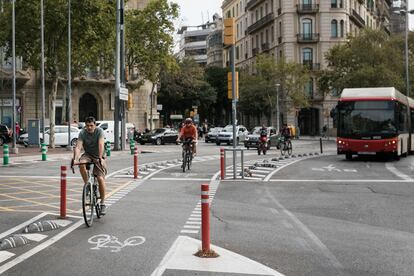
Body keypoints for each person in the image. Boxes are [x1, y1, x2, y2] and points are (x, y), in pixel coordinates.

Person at [71, 116, 108, 215]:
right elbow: (78, 147)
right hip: (88, 155)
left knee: (100, 179)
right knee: (81, 164)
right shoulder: (83, 133)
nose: (89, 128)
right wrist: (75, 159)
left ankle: (103, 203)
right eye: (87, 126)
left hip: (98, 155)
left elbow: (101, 145)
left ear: (95, 125)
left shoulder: (99, 131)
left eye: (91, 125)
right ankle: (87, 185)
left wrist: (100, 158)